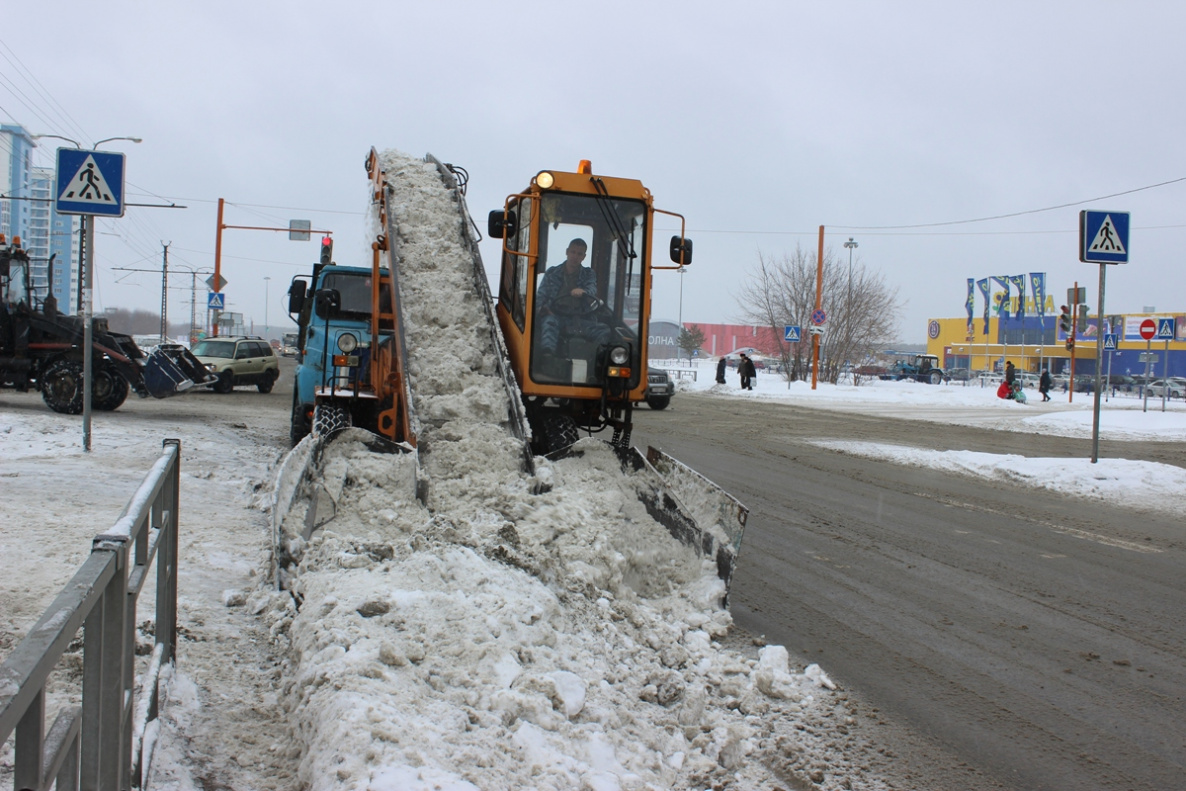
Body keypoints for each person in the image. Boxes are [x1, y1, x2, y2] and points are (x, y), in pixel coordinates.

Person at [536, 238, 611, 359]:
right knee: (549, 323)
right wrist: (544, 309)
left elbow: (592, 288)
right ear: (567, 252)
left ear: (584, 256)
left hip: (580, 319)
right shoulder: (552, 273)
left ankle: (596, 359)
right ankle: (548, 357)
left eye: (579, 254)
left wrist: (584, 292)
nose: (575, 256)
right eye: (573, 252)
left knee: (604, 330)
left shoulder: (588, 274)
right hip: (556, 316)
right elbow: (541, 296)